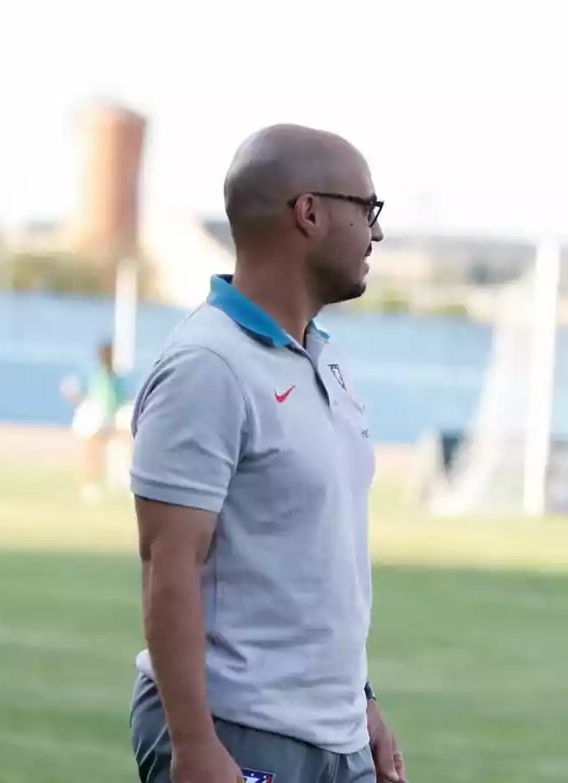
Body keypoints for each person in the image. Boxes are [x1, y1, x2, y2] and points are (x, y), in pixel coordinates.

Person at [127, 124, 405, 783]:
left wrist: (362, 707)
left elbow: (318, 565)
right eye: (368, 209)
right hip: (240, 730)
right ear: (309, 212)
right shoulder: (209, 366)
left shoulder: (325, 360)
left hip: (334, 736)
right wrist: (193, 745)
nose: (378, 233)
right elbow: (169, 565)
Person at [62, 340, 128, 503]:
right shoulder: (93, 374)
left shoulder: (115, 376)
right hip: (93, 417)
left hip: (110, 416)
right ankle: (90, 485)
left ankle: (120, 479)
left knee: (126, 441)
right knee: (93, 450)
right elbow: (75, 390)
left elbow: (118, 397)